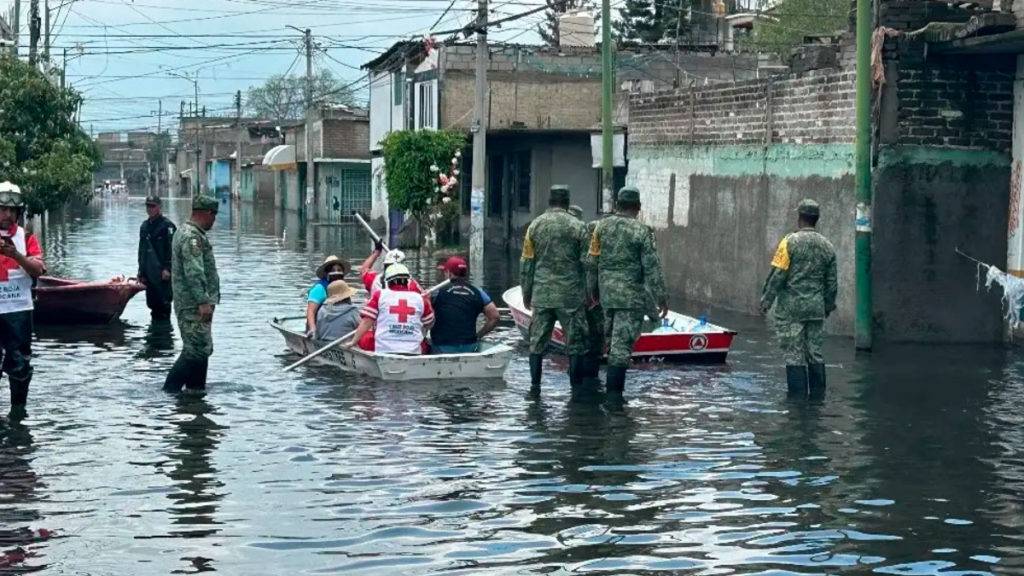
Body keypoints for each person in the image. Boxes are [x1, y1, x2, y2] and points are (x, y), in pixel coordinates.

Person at [587, 186, 668, 396]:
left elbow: (592, 262)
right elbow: (652, 268)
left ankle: (603, 397)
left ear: (616, 205)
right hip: (630, 299)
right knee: (621, 350)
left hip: (606, 296)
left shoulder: (600, 228)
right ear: (638, 207)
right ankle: (614, 402)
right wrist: (661, 298)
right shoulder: (642, 231)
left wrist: (592, 290)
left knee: (612, 344)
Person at [760, 199, 838, 398]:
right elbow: (832, 284)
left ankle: (797, 403)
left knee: (794, 355)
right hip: (816, 309)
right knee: (815, 353)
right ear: (816, 219)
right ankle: (818, 399)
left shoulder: (789, 242)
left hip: (791, 310)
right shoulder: (828, 247)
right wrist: (827, 306)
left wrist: (766, 302)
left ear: (799, 218)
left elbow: (778, 275)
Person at [521, 184, 589, 389]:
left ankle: (535, 387)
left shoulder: (535, 225)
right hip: (570, 296)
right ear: (567, 202)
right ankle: (575, 390)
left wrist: (527, 292)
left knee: (537, 343)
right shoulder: (578, 226)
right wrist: (589, 292)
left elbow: (526, 263)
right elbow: (588, 263)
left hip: (542, 295)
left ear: (549, 201)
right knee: (575, 344)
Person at [164, 196, 220, 393]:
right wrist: (203, 301)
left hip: (192, 303)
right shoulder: (191, 237)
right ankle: (170, 391)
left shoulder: (187, 232)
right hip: (193, 305)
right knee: (194, 350)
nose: (214, 219)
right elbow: (194, 272)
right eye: (214, 214)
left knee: (201, 349)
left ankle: (196, 392)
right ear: (204, 212)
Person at [0, 183, 46, 414]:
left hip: (18, 310)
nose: (7, 215)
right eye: (2, 209)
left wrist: (16, 255)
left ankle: (18, 414)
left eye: (11, 210)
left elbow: (38, 269)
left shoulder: (25, 237)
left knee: (20, 365)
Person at [349, 264, 434, 354]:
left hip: (384, 349)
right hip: (413, 351)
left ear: (388, 281)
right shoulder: (420, 298)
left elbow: (366, 321)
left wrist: (353, 341)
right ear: (408, 281)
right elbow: (429, 323)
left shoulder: (379, 295)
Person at [430, 256, 499, 354]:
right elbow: (495, 317)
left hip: (442, 346)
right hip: (469, 345)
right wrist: (478, 336)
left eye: (445, 272)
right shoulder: (478, 293)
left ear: (449, 273)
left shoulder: (436, 292)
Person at [137, 195, 177, 319]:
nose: (149, 209)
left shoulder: (167, 226)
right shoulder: (144, 226)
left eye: (152, 206)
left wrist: (168, 268)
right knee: (153, 306)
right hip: (149, 274)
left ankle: (164, 336)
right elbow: (142, 251)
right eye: (148, 206)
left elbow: (173, 250)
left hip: (163, 274)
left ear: (159, 207)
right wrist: (141, 272)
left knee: (164, 306)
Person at [306, 255, 350, 337]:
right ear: (326, 273)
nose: (336, 272)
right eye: (333, 270)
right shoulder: (319, 288)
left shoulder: (343, 287)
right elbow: (311, 311)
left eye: (339, 270)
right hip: (320, 328)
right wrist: (313, 329)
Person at [358, 240, 423, 295]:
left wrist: (376, 252)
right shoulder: (412, 284)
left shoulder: (375, 280)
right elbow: (424, 298)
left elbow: (363, 270)